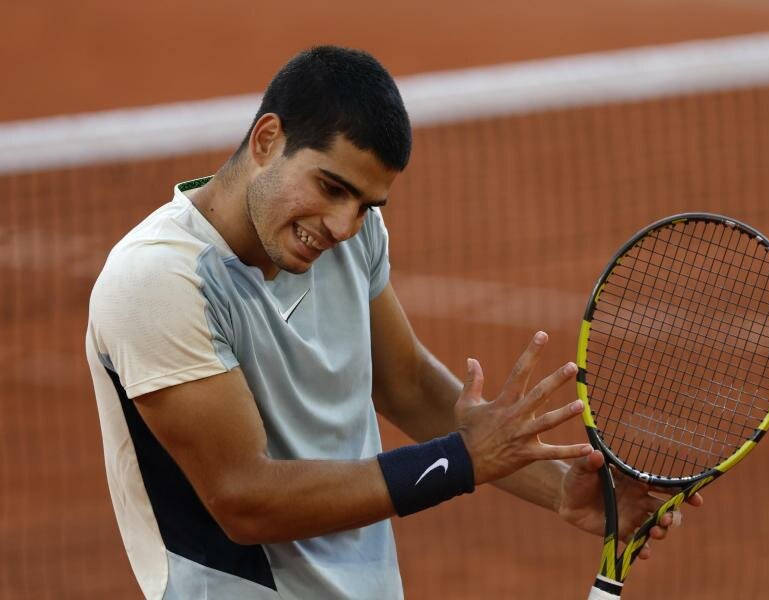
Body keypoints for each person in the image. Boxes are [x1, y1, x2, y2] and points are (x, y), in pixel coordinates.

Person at [86, 46, 699, 600]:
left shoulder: (349, 239)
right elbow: (246, 500)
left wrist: (563, 488)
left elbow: (403, 382)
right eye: (330, 187)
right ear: (267, 139)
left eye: (366, 205)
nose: (342, 226)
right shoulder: (160, 282)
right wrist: (459, 461)